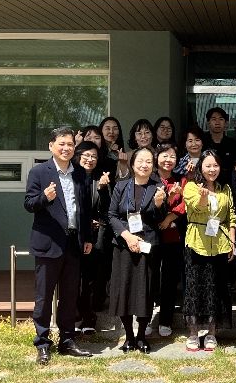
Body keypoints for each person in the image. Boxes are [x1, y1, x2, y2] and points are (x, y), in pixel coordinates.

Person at [24, 127, 93, 365]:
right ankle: (43, 343)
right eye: (61, 143)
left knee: (70, 295)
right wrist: (45, 197)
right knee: (44, 297)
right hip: (48, 243)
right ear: (51, 146)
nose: (66, 148)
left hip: (74, 243)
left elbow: (85, 209)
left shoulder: (81, 173)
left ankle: (67, 340)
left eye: (70, 144)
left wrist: (87, 237)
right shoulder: (38, 172)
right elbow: (29, 204)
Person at [108, 148, 167, 354]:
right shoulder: (121, 186)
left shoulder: (158, 187)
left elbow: (160, 219)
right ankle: (129, 337)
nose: (144, 165)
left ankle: (142, 336)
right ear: (132, 164)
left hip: (147, 246)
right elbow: (112, 215)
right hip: (124, 245)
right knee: (123, 289)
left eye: (149, 161)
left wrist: (159, 204)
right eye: (140, 161)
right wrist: (127, 236)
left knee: (145, 290)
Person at [182, 150, 236, 351]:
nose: (212, 170)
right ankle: (193, 333)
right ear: (200, 168)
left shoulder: (225, 189)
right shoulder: (191, 186)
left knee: (217, 288)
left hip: (220, 242)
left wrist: (232, 240)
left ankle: (212, 333)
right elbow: (197, 208)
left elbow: (231, 216)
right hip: (197, 242)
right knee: (195, 288)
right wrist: (203, 197)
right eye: (208, 166)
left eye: (215, 165)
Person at [73, 141, 112, 334]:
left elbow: (108, 210)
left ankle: (89, 316)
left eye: (94, 156)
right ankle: (75, 314)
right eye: (86, 155)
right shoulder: (71, 176)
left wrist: (103, 189)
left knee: (90, 278)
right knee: (74, 276)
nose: (90, 159)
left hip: (95, 237)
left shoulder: (101, 178)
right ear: (78, 156)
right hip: (74, 235)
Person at [153, 143, 186, 338]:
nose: (168, 160)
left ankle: (166, 319)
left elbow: (185, 204)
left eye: (172, 156)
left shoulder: (180, 180)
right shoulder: (150, 178)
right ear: (157, 158)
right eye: (164, 156)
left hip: (172, 236)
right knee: (150, 277)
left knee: (169, 279)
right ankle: (146, 318)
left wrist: (169, 218)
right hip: (151, 235)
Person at [203, 107, 236, 186]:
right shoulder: (202, 143)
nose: (217, 122)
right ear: (208, 123)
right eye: (214, 119)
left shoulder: (234, 145)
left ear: (226, 123)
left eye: (221, 119)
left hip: (229, 186)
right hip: (206, 185)